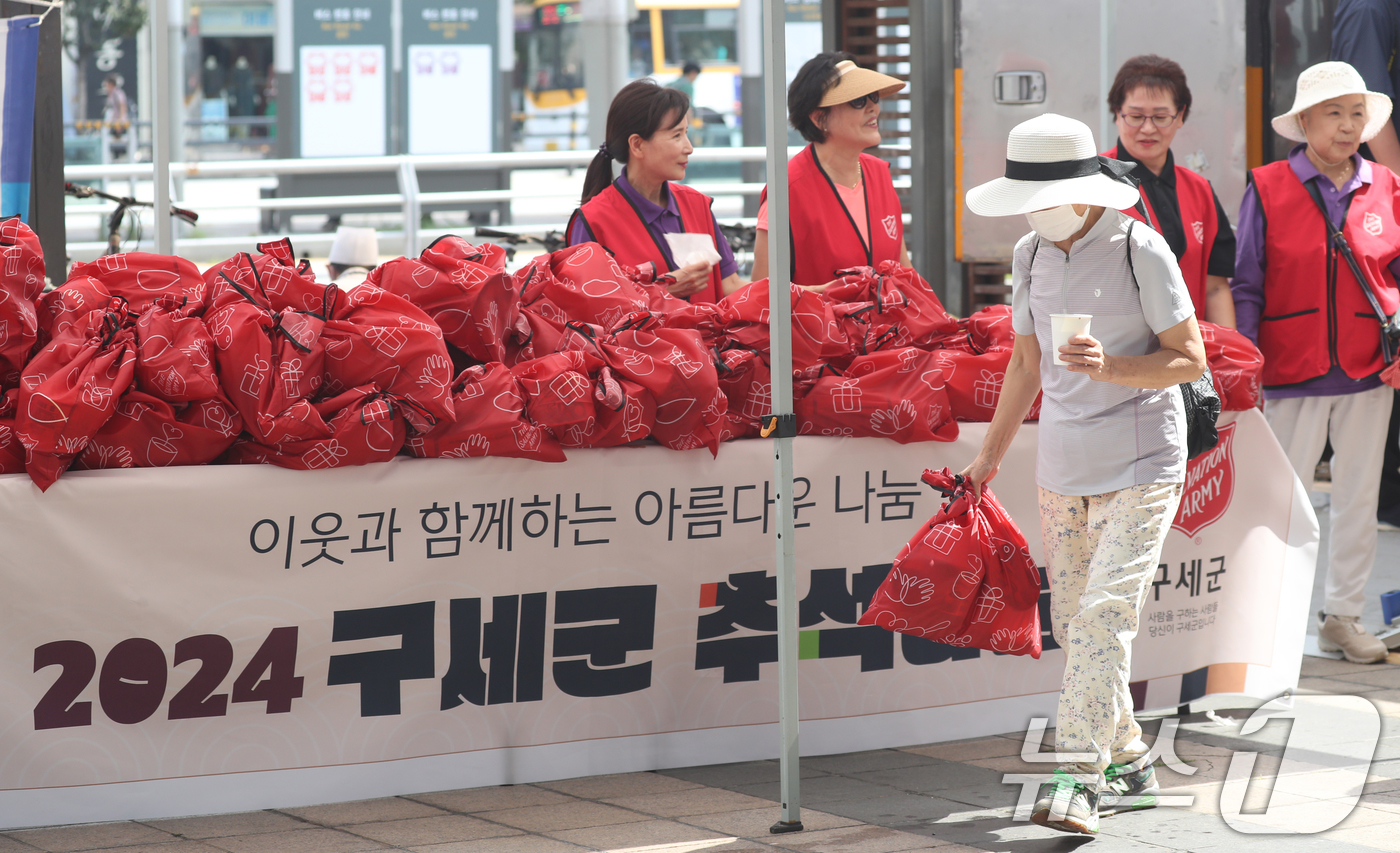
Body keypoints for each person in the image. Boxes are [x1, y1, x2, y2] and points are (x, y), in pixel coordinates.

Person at [962, 113, 1205, 835]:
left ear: (1087, 187)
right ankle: (1130, 756)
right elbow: (1026, 363)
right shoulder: (1030, 252)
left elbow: (1189, 356)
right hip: (1063, 466)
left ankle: (1077, 774)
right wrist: (988, 457)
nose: (1036, 209)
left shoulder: (1140, 247)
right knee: (1076, 624)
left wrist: (1116, 366)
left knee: (1104, 616)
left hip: (1143, 460)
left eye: (1048, 193)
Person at [1233, 61, 1400, 664]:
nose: (1349, 125)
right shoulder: (1269, 184)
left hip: (1368, 369)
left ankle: (1343, 616)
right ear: (1304, 121)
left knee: (1358, 500)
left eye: (1358, 113)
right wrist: (1246, 366)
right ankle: (1261, 615)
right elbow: (1247, 280)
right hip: (1288, 367)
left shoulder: (1384, 185)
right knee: (1281, 499)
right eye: (1334, 112)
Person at [567, 78, 742, 302]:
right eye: (677, 135)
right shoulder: (593, 222)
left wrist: (794, 295)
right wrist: (666, 291)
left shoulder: (697, 206)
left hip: (708, 338)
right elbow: (589, 312)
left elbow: (731, 285)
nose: (689, 147)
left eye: (686, 133)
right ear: (637, 145)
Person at [752, 53, 910, 289]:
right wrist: (828, 294)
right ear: (819, 118)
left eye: (873, 97)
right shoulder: (787, 190)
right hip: (817, 326)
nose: (872, 108)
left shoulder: (879, 174)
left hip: (886, 326)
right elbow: (761, 293)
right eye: (857, 101)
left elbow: (904, 272)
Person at [1330, 1, 1400, 530]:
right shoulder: (1369, 8)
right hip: (1381, 208)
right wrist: (1397, 187)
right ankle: (1389, 500)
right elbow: (1369, 113)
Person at [1106, 55, 1236, 326]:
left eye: (1161, 117)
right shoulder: (1094, 184)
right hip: (1113, 354)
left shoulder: (1200, 190)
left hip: (1186, 358)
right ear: (1117, 114)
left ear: (1180, 117)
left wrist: (1228, 356)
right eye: (1136, 116)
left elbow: (1215, 287)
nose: (1148, 128)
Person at [101, 73, 129, 160]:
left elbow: (122, 106)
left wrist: (120, 121)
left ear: (111, 84)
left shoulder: (117, 93)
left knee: (121, 149)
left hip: (119, 125)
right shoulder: (111, 94)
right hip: (113, 124)